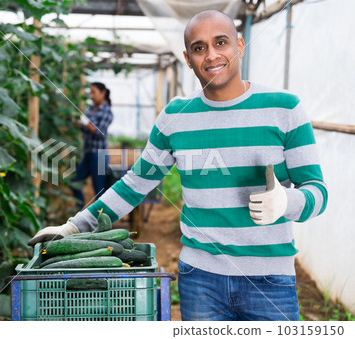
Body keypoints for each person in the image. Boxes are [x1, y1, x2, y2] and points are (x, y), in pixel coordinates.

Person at [28, 10, 328, 321]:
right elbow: (135, 184)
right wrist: (76, 226)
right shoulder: (176, 117)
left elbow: (317, 193)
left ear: (239, 45)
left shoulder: (284, 108)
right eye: (199, 48)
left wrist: (286, 202)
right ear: (187, 58)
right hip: (200, 280)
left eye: (221, 43)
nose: (211, 56)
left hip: (270, 280)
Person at [71, 82, 113, 210]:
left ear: (103, 93)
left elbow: (99, 133)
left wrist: (86, 123)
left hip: (99, 155)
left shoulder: (107, 112)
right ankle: (80, 213)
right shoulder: (91, 109)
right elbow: (86, 130)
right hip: (89, 154)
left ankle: (102, 222)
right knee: (74, 182)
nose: (91, 95)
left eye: (94, 92)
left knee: (99, 191)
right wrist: (79, 123)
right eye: (90, 92)